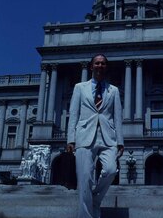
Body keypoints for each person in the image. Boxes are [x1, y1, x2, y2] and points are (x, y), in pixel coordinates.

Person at [67, 54, 124, 218]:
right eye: (97, 63)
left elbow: (117, 117)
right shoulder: (79, 88)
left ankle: (94, 200)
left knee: (111, 170)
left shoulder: (113, 90)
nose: (100, 66)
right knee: (84, 180)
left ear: (106, 67)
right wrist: (71, 139)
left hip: (108, 137)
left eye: (103, 63)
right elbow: (73, 114)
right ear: (91, 67)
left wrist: (120, 140)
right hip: (84, 135)